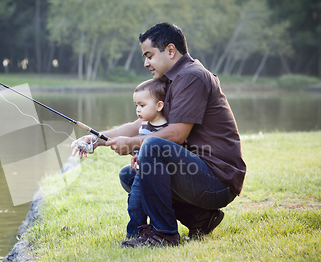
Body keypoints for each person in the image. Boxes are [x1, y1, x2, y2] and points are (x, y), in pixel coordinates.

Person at [72, 22, 246, 248]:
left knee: (152, 147)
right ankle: (200, 218)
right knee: (131, 175)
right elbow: (140, 123)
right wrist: (98, 140)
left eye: (149, 55)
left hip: (218, 180)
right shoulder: (170, 79)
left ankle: (164, 234)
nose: (146, 63)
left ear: (171, 51)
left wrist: (134, 144)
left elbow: (177, 134)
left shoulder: (191, 77)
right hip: (198, 173)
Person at [124, 79, 168, 238]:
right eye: (136, 105)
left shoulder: (167, 129)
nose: (138, 110)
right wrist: (136, 154)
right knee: (134, 204)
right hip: (141, 174)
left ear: (159, 106)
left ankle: (155, 230)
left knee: (154, 205)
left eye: (142, 105)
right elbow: (141, 145)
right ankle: (134, 234)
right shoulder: (145, 125)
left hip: (159, 176)